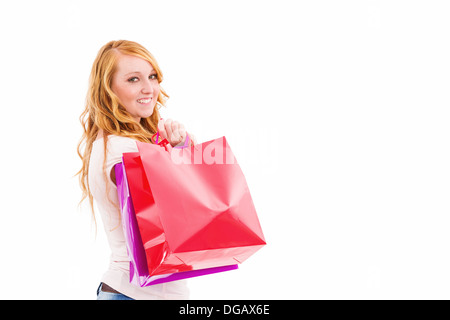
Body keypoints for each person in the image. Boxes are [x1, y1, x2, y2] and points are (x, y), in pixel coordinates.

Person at [77, 40, 194, 300]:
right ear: (108, 90)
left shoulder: (127, 143)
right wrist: (180, 151)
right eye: (133, 79)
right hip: (135, 294)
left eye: (152, 77)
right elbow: (180, 210)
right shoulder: (121, 149)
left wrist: (175, 148)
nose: (149, 88)